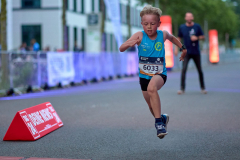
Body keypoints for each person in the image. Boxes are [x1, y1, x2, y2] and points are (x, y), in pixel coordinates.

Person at [119, 5, 187, 139]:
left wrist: (183, 48)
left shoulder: (163, 35)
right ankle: (162, 118)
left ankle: (158, 124)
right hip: (144, 76)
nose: (149, 27)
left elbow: (173, 38)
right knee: (151, 105)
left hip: (160, 74)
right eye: (145, 24)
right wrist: (130, 43)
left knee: (152, 88)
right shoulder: (139, 35)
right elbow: (121, 48)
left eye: (152, 24)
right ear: (141, 24)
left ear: (158, 24)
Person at [175, 12, 207, 94]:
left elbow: (203, 37)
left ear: (192, 17)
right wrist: (176, 48)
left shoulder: (197, 26)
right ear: (185, 18)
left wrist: (197, 37)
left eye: (190, 17)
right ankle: (182, 88)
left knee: (199, 70)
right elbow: (178, 38)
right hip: (186, 52)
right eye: (187, 17)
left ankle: (203, 87)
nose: (189, 18)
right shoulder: (182, 27)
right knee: (184, 69)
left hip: (196, 51)